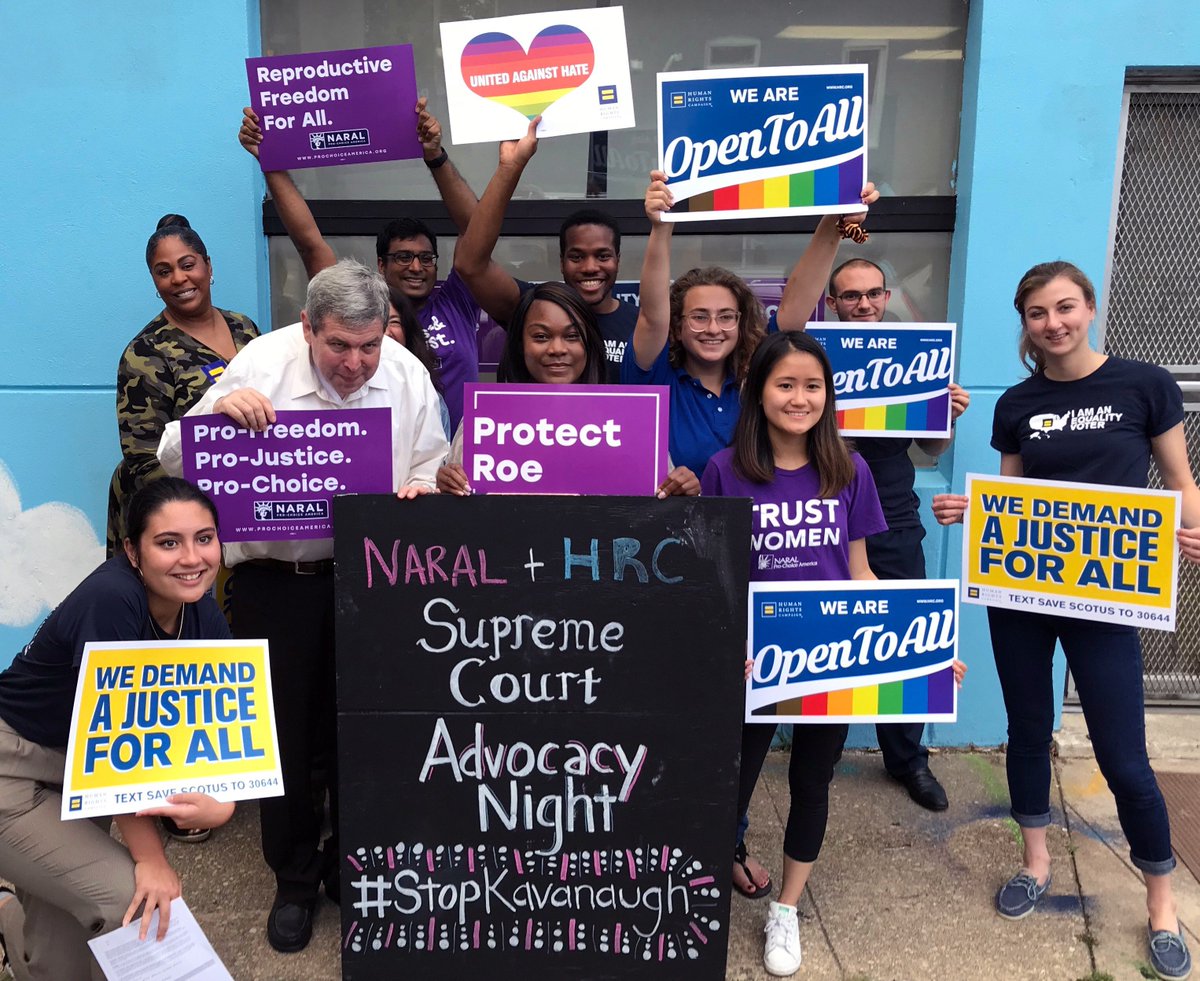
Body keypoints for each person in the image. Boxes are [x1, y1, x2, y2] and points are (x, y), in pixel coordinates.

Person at [157, 259, 448, 954]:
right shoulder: (261, 363)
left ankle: (351, 860)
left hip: (373, 578)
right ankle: (292, 878)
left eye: (368, 346)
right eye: (339, 345)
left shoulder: (405, 373)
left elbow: (431, 463)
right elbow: (174, 454)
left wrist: (420, 490)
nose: (355, 363)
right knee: (283, 734)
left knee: (365, 726)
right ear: (308, 328)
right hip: (275, 579)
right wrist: (218, 410)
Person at [932, 261, 1200, 981]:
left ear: (1089, 306)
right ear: (1024, 323)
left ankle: (1162, 904)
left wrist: (1194, 532)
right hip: (1022, 598)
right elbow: (1008, 494)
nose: (1053, 322)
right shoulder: (1018, 402)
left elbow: (1179, 482)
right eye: (1038, 313)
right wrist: (970, 509)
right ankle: (1035, 860)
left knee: (1125, 757)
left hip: (1105, 600)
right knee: (1025, 730)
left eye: (1065, 307)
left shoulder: (1145, 385)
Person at [701, 331, 887, 976]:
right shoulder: (725, 470)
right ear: (759, 392)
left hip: (831, 655)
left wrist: (924, 647)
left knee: (813, 782)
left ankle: (786, 907)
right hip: (755, 658)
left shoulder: (849, 469)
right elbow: (717, 578)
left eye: (813, 385)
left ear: (828, 395)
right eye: (786, 384)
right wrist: (733, 644)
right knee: (731, 780)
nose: (800, 397)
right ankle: (707, 884)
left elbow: (860, 573)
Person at [0, 478, 236, 981]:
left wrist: (227, 800)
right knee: (129, 900)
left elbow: (221, 719)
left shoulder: (198, 603)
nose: (191, 557)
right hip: (13, 766)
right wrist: (149, 856)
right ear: (133, 551)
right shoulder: (111, 600)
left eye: (205, 537)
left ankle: (8, 922)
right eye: (168, 542)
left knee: (62, 953)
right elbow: (110, 743)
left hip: (79, 769)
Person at [774, 244, 970, 812]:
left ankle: (908, 759)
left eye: (872, 294)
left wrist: (948, 417)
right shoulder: (812, 361)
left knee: (904, 636)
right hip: (814, 518)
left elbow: (930, 447)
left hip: (893, 515)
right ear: (831, 302)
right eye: (850, 295)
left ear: (886, 299)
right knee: (821, 638)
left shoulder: (912, 360)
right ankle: (820, 756)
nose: (862, 303)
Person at [240, 100, 483, 429]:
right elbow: (311, 243)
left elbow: (477, 231)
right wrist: (269, 159)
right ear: (381, 266)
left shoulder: (456, 302)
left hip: (455, 465)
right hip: (378, 460)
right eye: (403, 257)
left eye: (426, 258)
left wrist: (436, 157)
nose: (416, 267)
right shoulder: (355, 309)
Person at [436, 281, 698, 498]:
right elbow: (456, 512)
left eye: (572, 336)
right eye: (541, 336)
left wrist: (682, 491)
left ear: (589, 343)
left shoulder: (629, 419)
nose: (557, 349)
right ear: (519, 345)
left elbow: (664, 508)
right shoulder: (484, 418)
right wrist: (446, 484)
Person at [107, 215, 259, 557]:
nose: (179, 279)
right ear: (154, 281)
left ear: (208, 266)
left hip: (246, 497)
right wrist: (205, 510)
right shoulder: (145, 352)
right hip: (174, 521)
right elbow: (143, 458)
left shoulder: (244, 328)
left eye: (187, 265)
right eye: (164, 271)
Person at [450, 119, 640, 381]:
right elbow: (470, 263)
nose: (590, 267)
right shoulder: (532, 305)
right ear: (561, 262)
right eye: (576, 256)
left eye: (602, 255)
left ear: (618, 260)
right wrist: (509, 168)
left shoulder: (642, 325)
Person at [621, 170, 766, 476]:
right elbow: (651, 315)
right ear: (676, 326)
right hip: (675, 522)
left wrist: (834, 224)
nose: (713, 329)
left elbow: (795, 312)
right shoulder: (655, 376)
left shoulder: (756, 380)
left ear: (741, 324)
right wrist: (661, 229)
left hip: (755, 523)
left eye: (726, 317)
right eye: (699, 317)